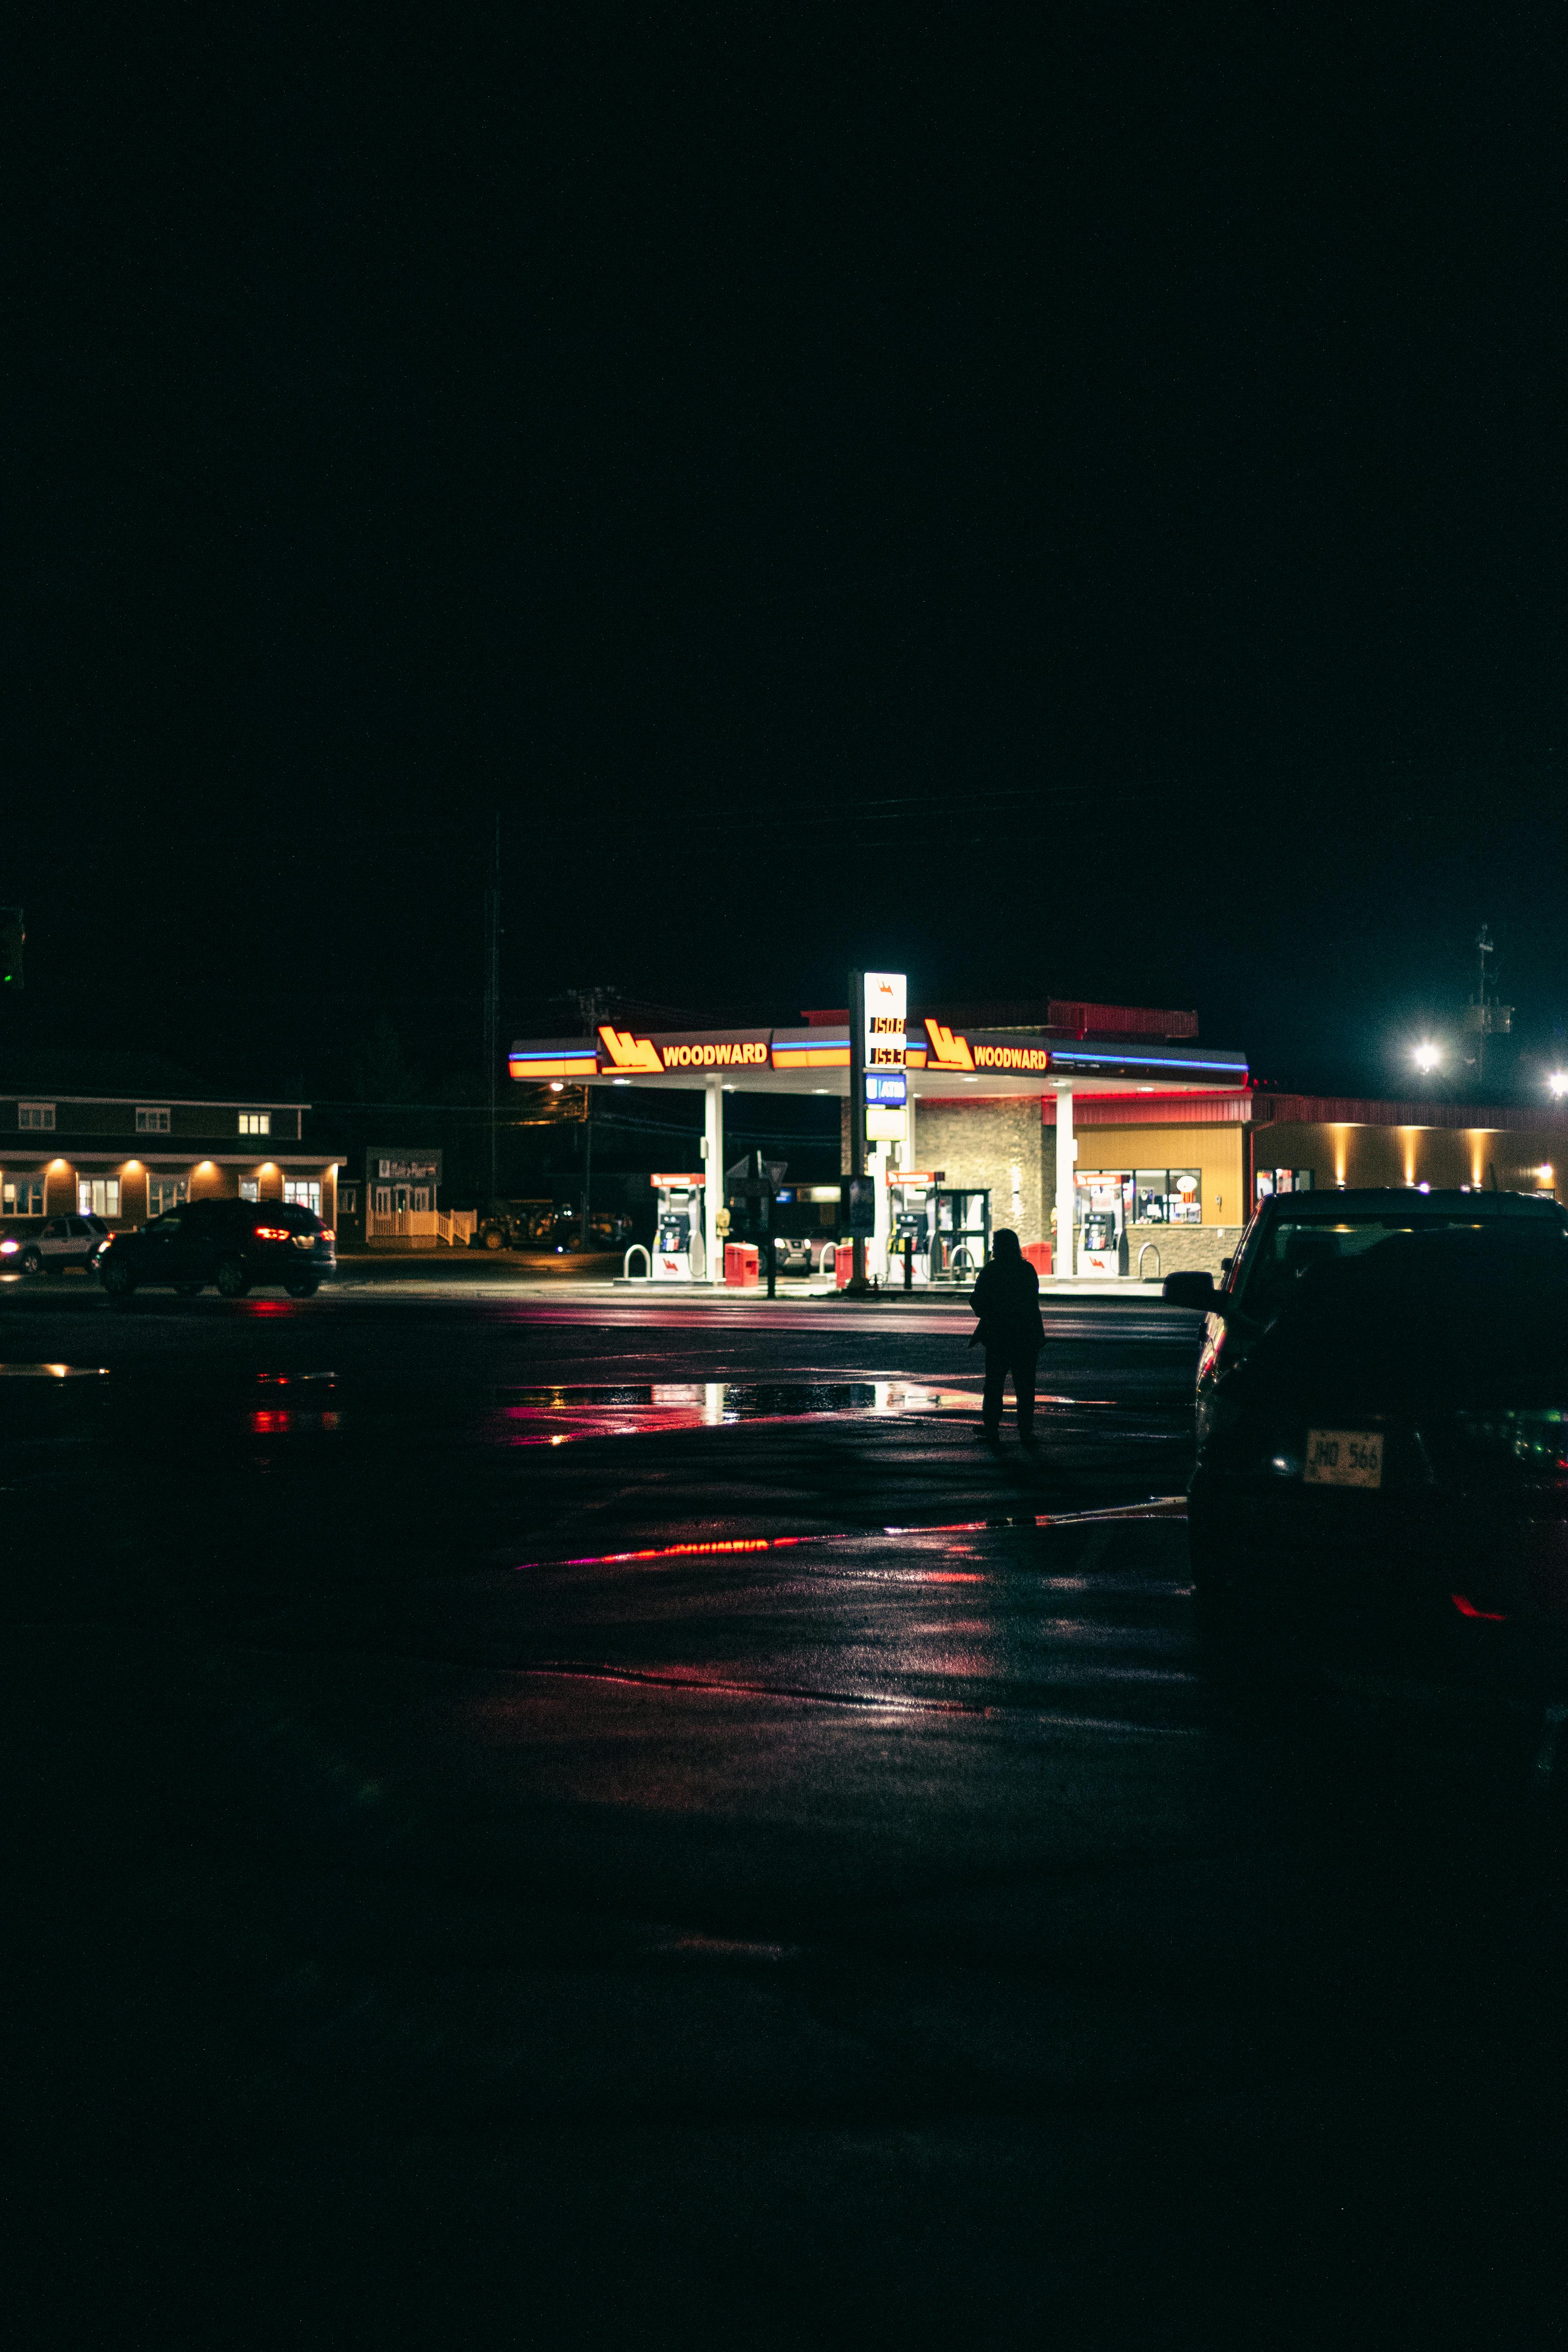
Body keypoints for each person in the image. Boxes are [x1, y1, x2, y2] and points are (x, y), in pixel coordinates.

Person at [968, 1228, 1046, 1446]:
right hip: (1025, 1337)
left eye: (995, 1244)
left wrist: (989, 1313)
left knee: (994, 1386)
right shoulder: (1027, 1270)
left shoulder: (991, 1271)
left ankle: (992, 1428)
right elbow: (1032, 1303)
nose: (992, 1247)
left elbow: (978, 1301)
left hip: (999, 1337)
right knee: (1025, 1388)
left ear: (1001, 1247)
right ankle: (1025, 1431)